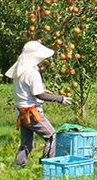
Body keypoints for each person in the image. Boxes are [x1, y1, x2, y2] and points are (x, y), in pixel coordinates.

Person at [5, 40, 71, 168]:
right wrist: (59, 98)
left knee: (26, 142)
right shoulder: (32, 72)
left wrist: (43, 90)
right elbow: (39, 95)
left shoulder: (21, 71)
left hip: (21, 112)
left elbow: (26, 90)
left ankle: (18, 166)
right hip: (32, 112)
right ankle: (48, 164)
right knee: (52, 136)